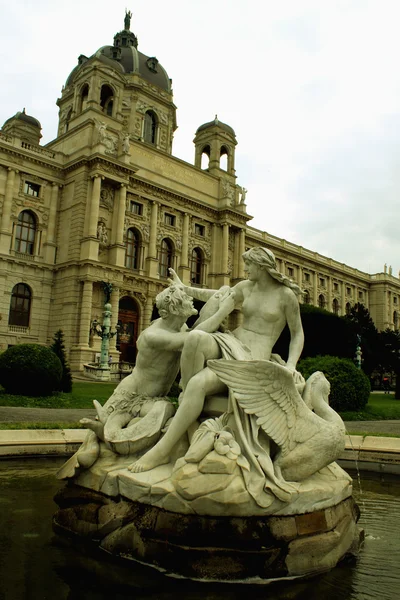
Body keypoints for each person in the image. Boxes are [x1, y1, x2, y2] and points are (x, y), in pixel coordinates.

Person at [130, 246, 304, 474]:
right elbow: (217, 295)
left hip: (251, 357)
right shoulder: (246, 288)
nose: (245, 269)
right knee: (195, 337)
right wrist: (184, 289)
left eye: (249, 265)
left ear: (261, 266)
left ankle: (163, 449)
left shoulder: (285, 296)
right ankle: (186, 402)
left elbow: (297, 333)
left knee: (198, 384)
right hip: (231, 341)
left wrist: (291, 365)